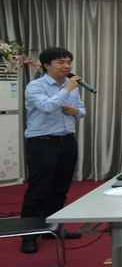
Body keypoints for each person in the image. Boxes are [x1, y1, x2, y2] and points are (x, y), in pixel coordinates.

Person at [20, 48, 86, 254]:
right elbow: (46, 107)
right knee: (38, 190)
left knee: (59, 189)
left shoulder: (71, 86)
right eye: (61, 62)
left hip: (67, 142)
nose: (67, 66)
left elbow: (81, 110)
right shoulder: (35, 86)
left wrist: (76, 111)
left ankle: (53, 229)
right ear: (47, 65)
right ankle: (28, 236)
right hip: (42, 142)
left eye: (68, 62)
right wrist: (66, 89)